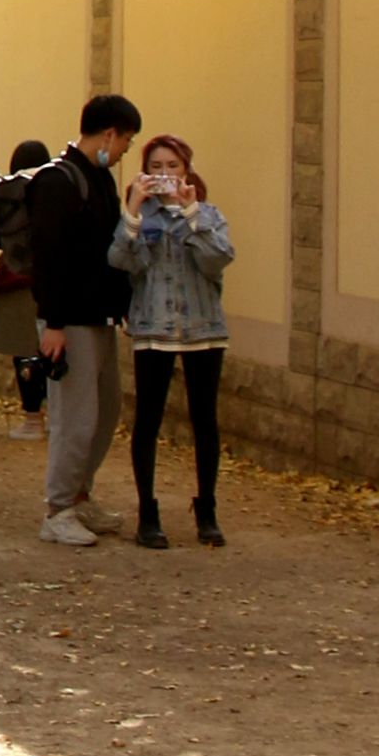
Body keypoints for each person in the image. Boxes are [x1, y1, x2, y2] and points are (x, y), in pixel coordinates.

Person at [27, 92, 143, 549]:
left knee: (105, 408)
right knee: (75, 417)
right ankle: (57, 509)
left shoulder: (99, 180)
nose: (123, 152)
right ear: (109, 133)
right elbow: (49, 257)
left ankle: (80, 493)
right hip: (68, 320)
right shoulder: (59, 181)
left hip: (98, 316)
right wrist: (53, 322)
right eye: (125, 142)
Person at [117, 133, 232, 549]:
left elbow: (217, 260)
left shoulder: (208, 214)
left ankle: (207, 509)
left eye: (173, 167)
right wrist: (132, 209)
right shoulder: (139, 216)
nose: (165, 175)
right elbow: (121, 262)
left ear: (187, 170)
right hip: (153, 329)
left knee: (205, 420)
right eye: (157, 168)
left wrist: (191, 214)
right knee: (147, 420)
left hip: (203, 329)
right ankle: (148, 513)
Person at [0, 138, 54, 421]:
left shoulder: (7, 191)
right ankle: (51, 409)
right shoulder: (49, 188)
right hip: (44, 278)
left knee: (22, 351)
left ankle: (31, 415)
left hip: (13, 275)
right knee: (48, 347)